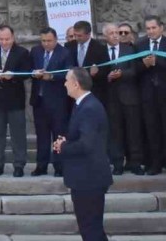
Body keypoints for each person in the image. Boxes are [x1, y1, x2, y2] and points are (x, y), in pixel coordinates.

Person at [54, 67, 113, 241]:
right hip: (84, 178)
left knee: (91, 229)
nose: (64, 84)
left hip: (89, 178)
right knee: (89, 229)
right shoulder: (82, 105)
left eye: (66, 80)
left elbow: (86, 144)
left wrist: (63, 147)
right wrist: (64, 141)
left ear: (76, 84)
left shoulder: (89, 108)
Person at [136, 16, 166, 176]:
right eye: (148, 28)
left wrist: (157, 62)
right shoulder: (140, 44)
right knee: (152, 130)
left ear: (160, 28)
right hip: (148, 95)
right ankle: (154, 164)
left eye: (153, 28)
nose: (150, 31)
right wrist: (144, 64)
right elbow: (135, 67)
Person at [0, 24, 32, 177]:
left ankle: (19, 164)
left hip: (15, 99)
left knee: (18, 134)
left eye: (7, 39)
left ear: (13, 38)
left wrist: (14, 75)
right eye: (1, 39)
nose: (4, 42)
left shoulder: (22, 52)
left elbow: (27, 72)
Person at [30, 26, 72, 177]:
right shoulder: (36, 51)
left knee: (59, 135)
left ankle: (59, 166)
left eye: (49, 41)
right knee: (42, 135)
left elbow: (68, 73)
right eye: (43, 41)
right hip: (39, 101)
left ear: (55, 40)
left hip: (57, 102)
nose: (46, 44)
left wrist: (52, 76)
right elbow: (29, 68)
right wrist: (34, 73)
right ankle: (41, 166)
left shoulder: (65, 53)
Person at [103, 22, 144, 175]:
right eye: (112, 33)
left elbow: (135, 70)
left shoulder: (129, 49)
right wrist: (106, 76)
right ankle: (118, 163)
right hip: (111, 99)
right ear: (105, 36)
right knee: (115, 132)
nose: (116, 35)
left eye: (117, 33)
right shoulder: (101, 51)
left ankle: (135, 162)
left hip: (129, 96)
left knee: (133, 131)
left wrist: (122, 74)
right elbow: (98, 73)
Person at [65, 20, 109, 101]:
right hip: (73, 93)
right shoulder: (69, 46)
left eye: (79, 36)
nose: (76, 38)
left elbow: (106, 70)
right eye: (75, 35)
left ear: (88, 34)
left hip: (93, 92)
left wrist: (95, 73)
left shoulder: (100, 48)